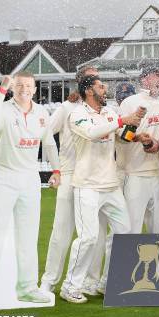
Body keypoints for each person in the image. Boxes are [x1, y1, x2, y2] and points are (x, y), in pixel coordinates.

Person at [0, 72, 61, 311]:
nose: (24, 89)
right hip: (3, 177)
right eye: (19, 85)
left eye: (28, 85)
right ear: (13, 88)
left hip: (29, 179)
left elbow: (49, 143)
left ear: (34, 88)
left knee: (28, 236)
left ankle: (27, 288)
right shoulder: (3, 108)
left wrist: (57, 170)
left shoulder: (42, 112)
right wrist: (2, 89)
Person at [60, 75, 142, 304]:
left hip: (110, 187)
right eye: (101, 86)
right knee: (88, 237)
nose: (105, 90)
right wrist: (121, 120)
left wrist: (133, 130)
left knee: (124, 232)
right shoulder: (77, 115)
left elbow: (121, 138)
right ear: (88, 91)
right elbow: (92, 133)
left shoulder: (109, 113)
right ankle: (70, 286)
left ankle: (107, 282)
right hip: (87, 187)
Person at [41, 66, 108, 297]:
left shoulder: (102, 107)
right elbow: (46, 133)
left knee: (96, 234)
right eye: (92, 77)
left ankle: (89, 281)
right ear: (81, 82)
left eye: (98, 77)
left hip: (96, 179)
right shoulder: (67, 107)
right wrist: (56, 168)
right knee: (62, 231)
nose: (97, 80)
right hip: (71, 175)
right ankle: (48, 283)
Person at [118, 66, 159, 234]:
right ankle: (128, 260)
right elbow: (122, 136)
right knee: (131, 230)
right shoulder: (131, 102)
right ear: (144, 79)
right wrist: (139, 138)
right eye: (156, 75)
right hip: (136, 173)